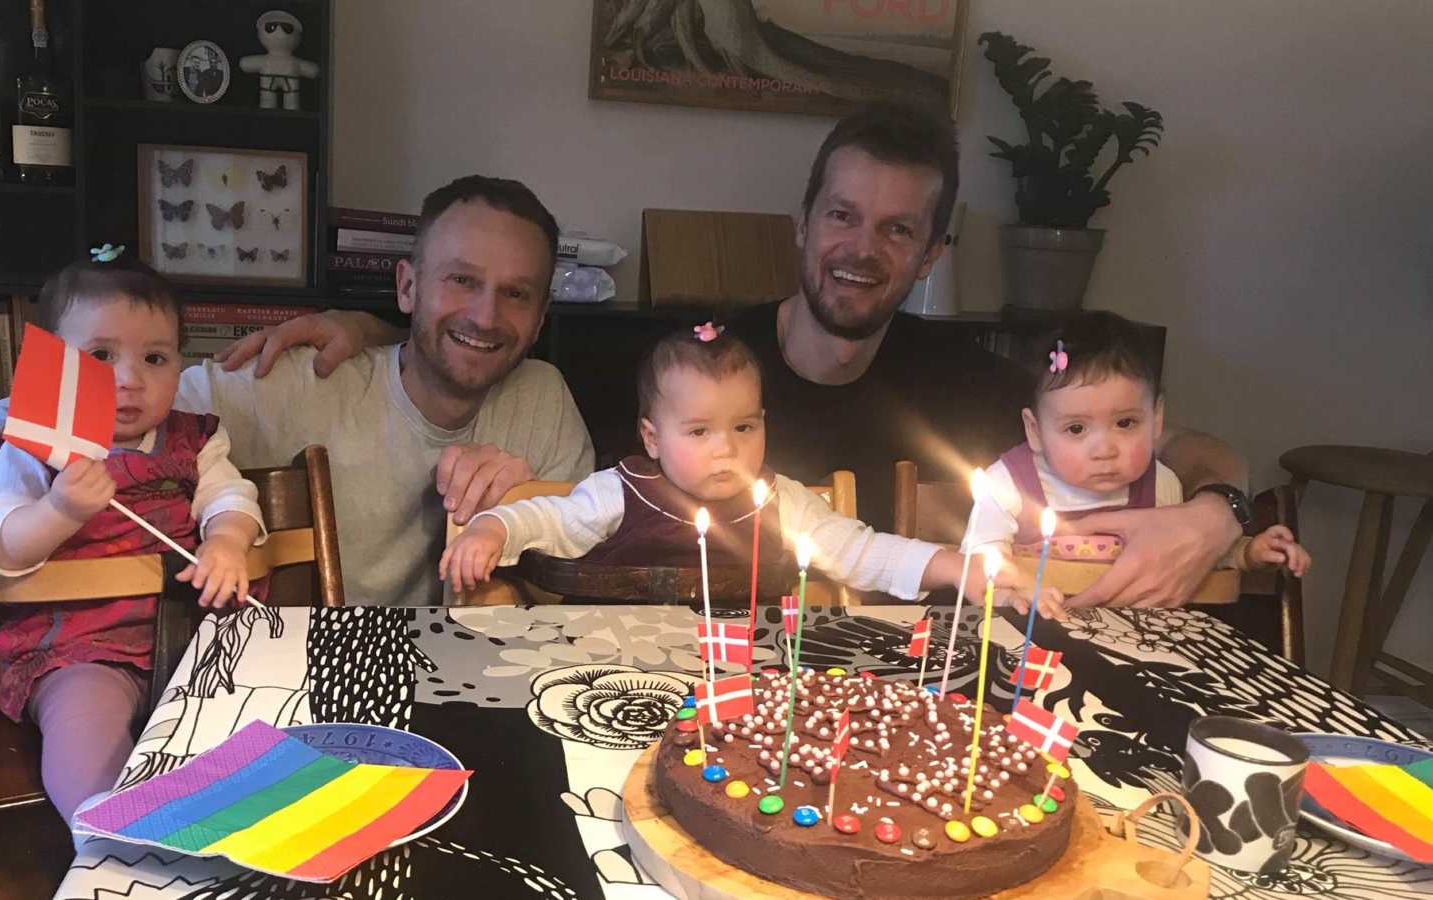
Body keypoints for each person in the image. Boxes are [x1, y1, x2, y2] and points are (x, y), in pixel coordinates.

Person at [215, 103, 1251, 611]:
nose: (862, 247)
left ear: (932, 254)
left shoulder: (977, 382)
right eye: (843, 215)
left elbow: (1173, 445)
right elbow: (551, 473)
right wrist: (375, 337)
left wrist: (1214, 513)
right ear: (801, 226)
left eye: (898, 231)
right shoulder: (678, 356)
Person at [0, 175, 593, 726]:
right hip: (305, 701)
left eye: (516, 293)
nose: (486, 314)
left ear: (541, 312)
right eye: (461, 280)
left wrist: (532, 507)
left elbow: (586, 591)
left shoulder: (545, 396)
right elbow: (11, 422)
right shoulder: (294, 382)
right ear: (406, 286)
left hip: (476, 701)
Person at [442, 324, 1060, 615]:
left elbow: (861, 552)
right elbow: (544, 519)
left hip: (743, 678)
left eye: (745, 427)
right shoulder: (618, 495)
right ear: (652, 438)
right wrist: (491, 531)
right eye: (700, 431)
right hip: (615, 670)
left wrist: (958, 566)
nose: (727, 449)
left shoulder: (779, 501)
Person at [0, 250, 265, 824]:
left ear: (180, 366)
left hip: (194, 633)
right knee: (85, 724)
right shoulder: (37, 449)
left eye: (155, 357)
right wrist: (58, 509)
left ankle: (238, 827)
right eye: (100, 356)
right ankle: (108, 832)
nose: (129, 379)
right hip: (78, 646)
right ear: (51, 367)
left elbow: (232, 498)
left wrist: (225, 541)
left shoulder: (196, 443)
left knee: (255, 708)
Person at [970, 311, 1309, 581]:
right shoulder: (1009, 485)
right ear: (1035, 431)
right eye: (1076, 428)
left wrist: (1247, 554)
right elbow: (978, 564)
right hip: (1034, 639)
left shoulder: (1160, 486)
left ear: (1156, 419)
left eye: (1125, 423)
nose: (1104, 449)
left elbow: (1192, 555)